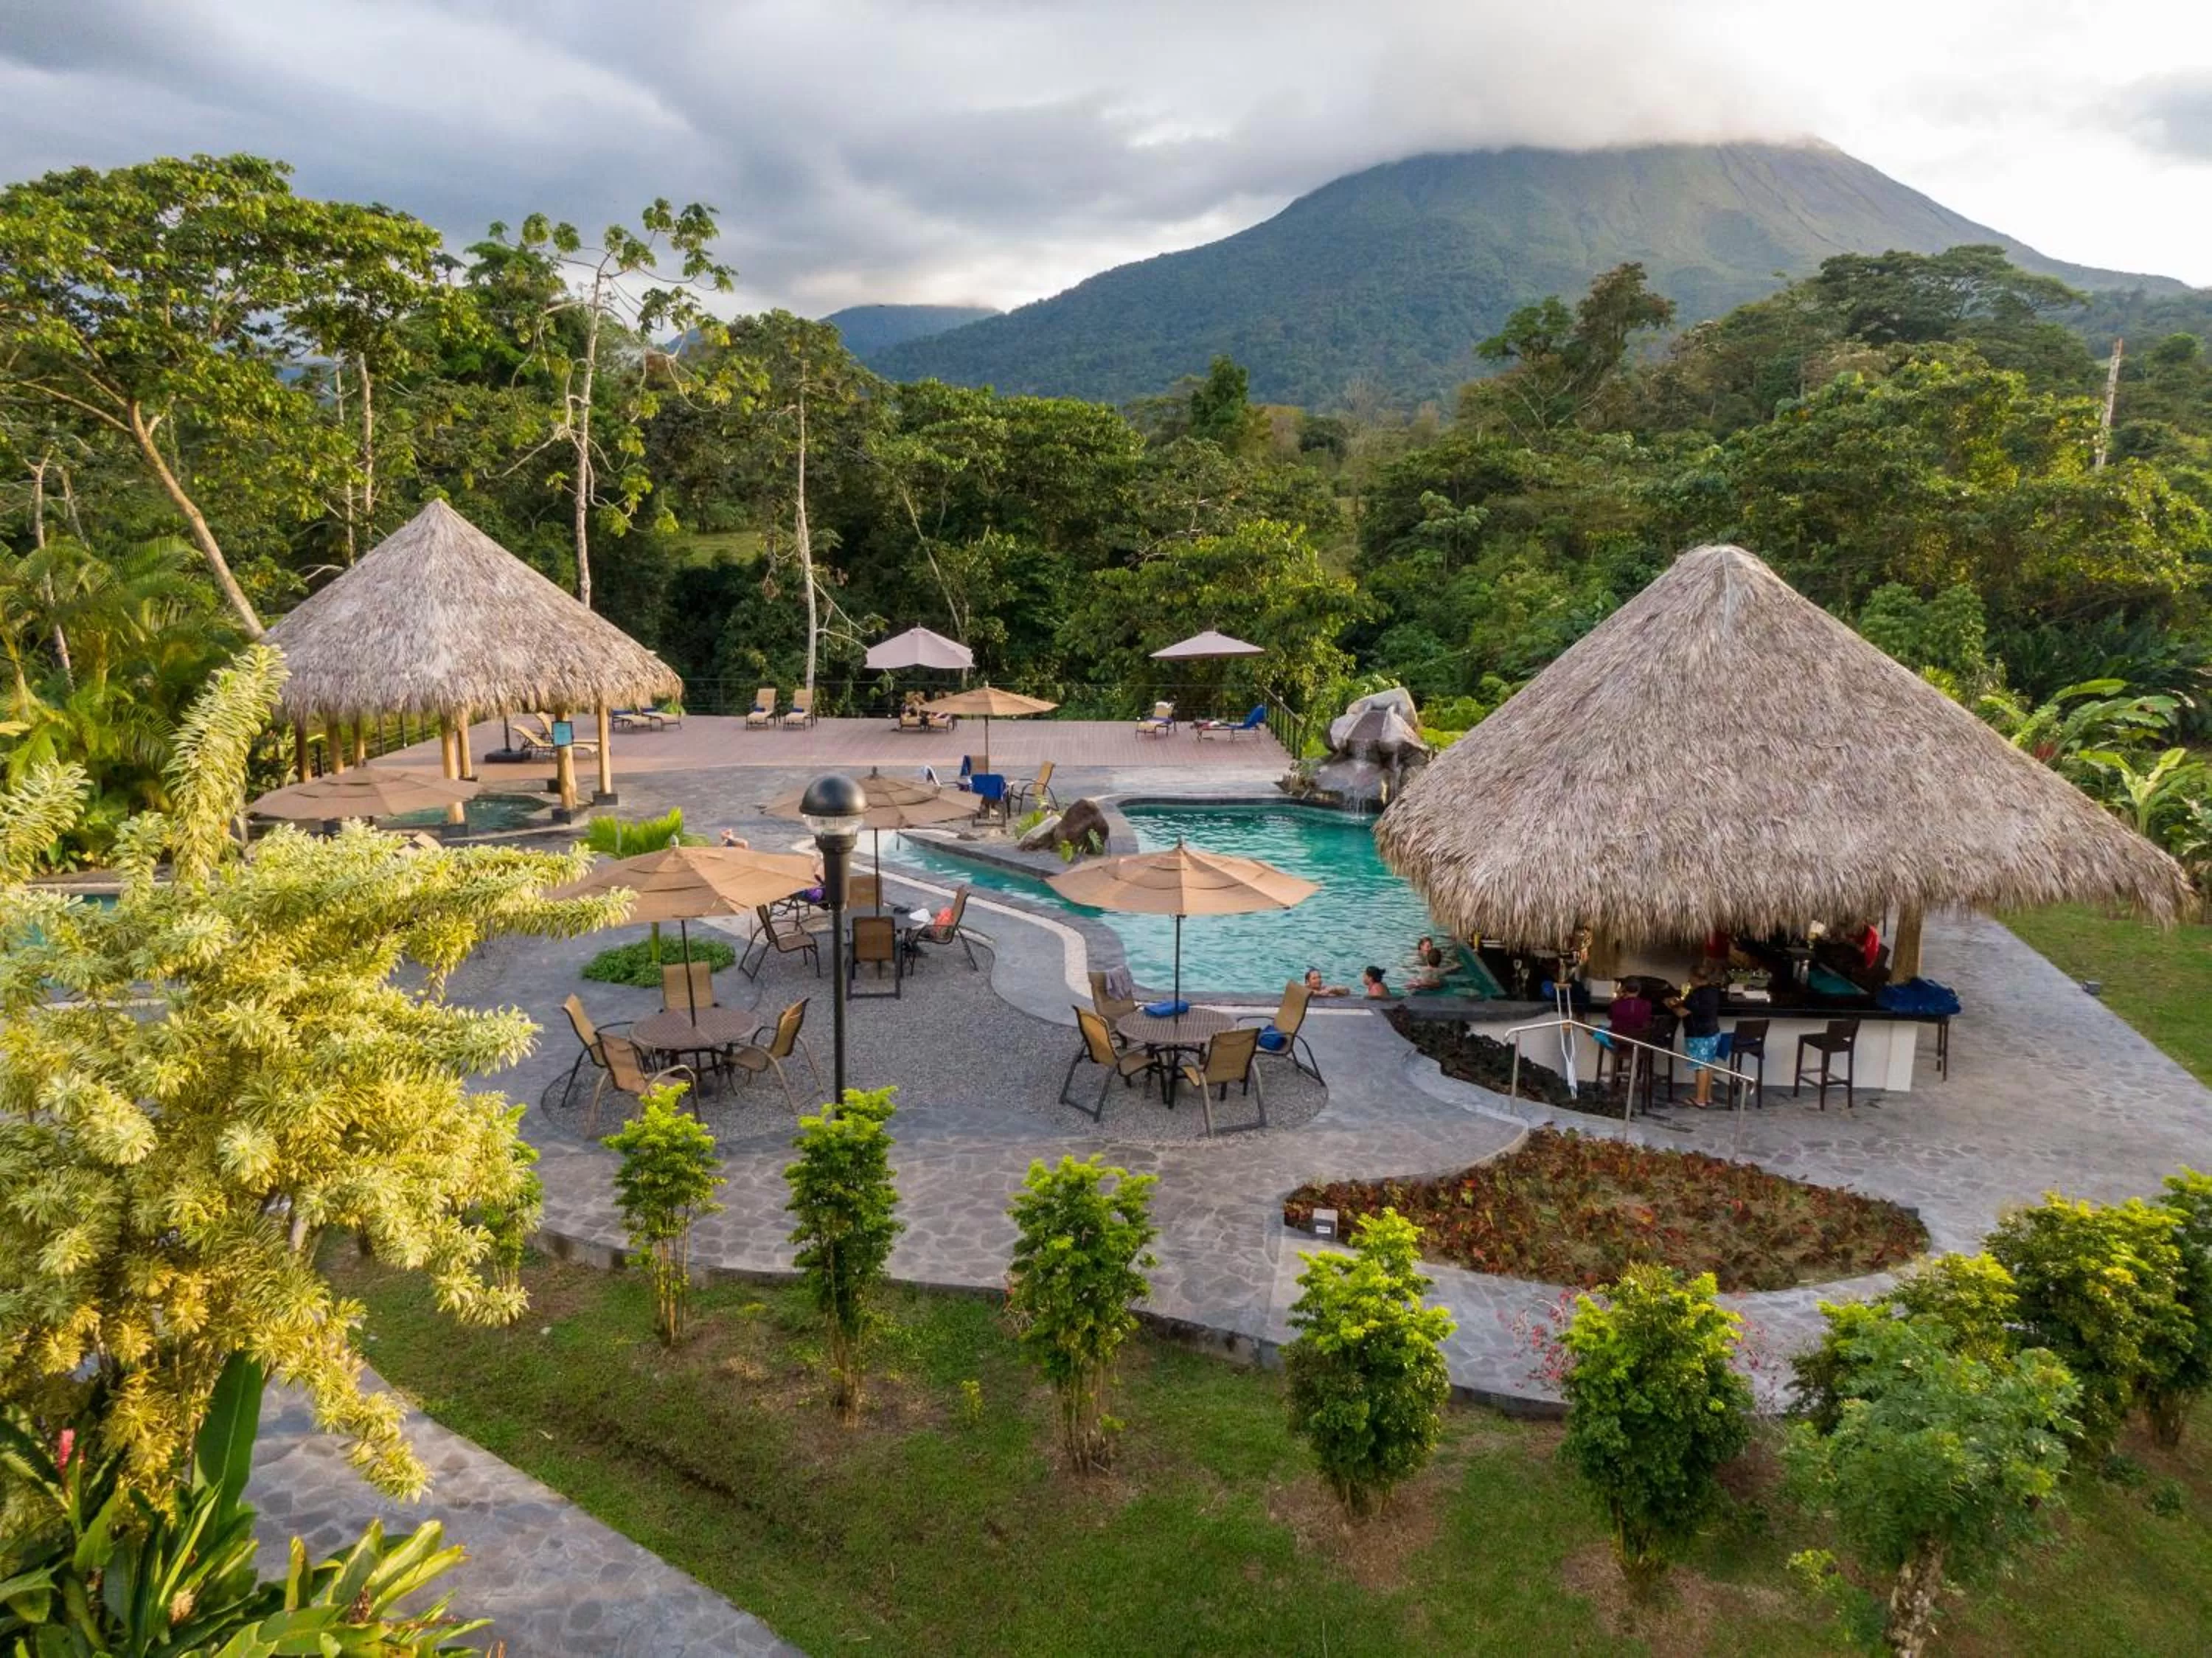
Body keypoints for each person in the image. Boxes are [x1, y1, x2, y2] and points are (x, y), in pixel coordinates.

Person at [1672, 965, 1728, 1107]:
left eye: (1690, 976)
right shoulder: (1714, 991)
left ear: (1696, 978)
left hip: (1698, 1035)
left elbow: (1682, 1013)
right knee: (1708, 1064)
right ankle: (1707, 1096)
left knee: (1700, 1066)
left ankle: (1700, 1099)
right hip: (1713, 1032)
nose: (1688, 979)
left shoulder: (1695, 994)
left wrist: (1671, 1005)